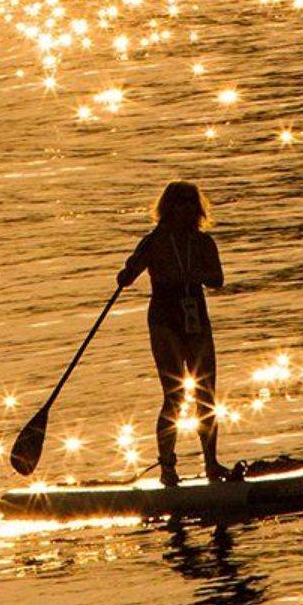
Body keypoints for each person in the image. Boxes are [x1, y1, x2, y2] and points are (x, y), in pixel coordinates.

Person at [117, 181, 229, 485]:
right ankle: (167, 468)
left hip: (196, 320)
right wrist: (130, 268)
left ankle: (212, 464)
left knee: (206, 395)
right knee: (175, 395)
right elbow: (125, 279)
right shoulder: (155, 242)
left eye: (191, 205)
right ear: (168, 209)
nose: (186, 211)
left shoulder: (204, 243)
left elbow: (217, 280)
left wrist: (195, 274)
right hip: (165, 320)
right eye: (179, 205)